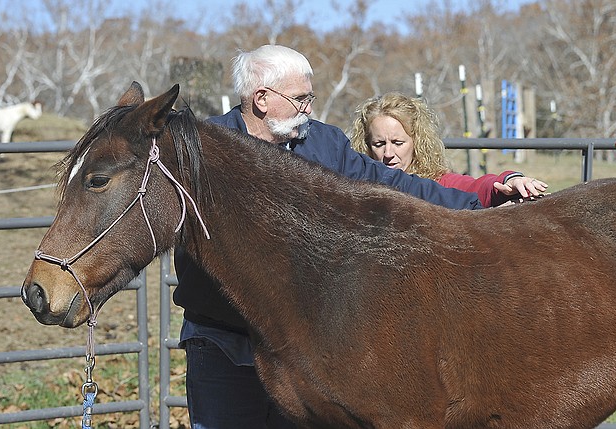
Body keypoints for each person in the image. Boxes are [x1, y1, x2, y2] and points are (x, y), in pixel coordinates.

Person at [173, 44, 544, 429]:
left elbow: (390, 185)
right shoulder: (202, 149)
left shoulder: (321, 144)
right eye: (300, 99)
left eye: (310, 98)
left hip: (299, 346)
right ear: (262, 99)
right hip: (222, 337)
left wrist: (476, 211)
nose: (309, 109)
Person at [349, 92, 548, 207]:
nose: (388, 154)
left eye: (398, 143)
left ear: (416, 142)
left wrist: (509, 181)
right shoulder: (355, 187)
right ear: (366, 145)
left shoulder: (436, 182)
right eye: (379, 144)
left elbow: (475, 187)